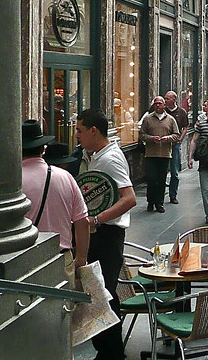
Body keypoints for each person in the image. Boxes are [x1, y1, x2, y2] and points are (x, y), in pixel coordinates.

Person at [76, 108, 137, 360]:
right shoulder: (92, 156)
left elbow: (130, 198)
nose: (76, 136)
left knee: (104, 294)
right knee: (98, 293)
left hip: (107, 235)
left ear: (93, 131)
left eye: (80, 131)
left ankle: (112, 353)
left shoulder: (110, 159)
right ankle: (108, 350)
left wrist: (96, 219)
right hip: (99, 234)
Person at [20, 121, 88, 287]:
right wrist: (80, 259)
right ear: (43, 149)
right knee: (64, 309)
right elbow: (82, 221)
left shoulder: (13, 183)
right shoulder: (65, 177)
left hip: (25, 261)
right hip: (61, 258)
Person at [139, 95, 179, 212]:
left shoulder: (170, 119)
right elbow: (142, 134)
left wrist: (168, 138)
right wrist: (151, 138)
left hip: (165, 154)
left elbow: (176, 134)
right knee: (151, 179)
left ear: (164, 105)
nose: (157, 105)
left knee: (161, 180)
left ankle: (159, 203)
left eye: (160, 103)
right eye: (155, 103)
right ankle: (150, 202)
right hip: (151, 154)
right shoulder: (148, 119)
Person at [164, 90, 189, 204]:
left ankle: (173, 195)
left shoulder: (181, 112)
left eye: (168, 98)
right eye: (165, 98)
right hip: (162, 145)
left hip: (174, 145)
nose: (165, 100)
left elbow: (185, 127)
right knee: (162, 171)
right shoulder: (162, 111)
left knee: (174, 171)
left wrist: (180, 139)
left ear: (174, 99)